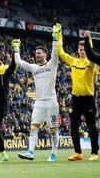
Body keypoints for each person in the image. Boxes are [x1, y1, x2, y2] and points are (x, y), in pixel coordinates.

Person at [15, 23, 61, 161]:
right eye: (36, 53)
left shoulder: (52, 64)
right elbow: (19, 62)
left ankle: (53, 154)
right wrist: (16, 48)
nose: (37, 55)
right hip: (39, 103)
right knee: (33, 127)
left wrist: (55, 37)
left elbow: (55, 51)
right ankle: (30, 152)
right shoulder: (34, 68)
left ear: (45, 54)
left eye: (39, 53)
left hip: (51, 102)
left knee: (53, 130)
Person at [59, 30, 99, 161]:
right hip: (76, 99)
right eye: (80, 49)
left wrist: (88, 40)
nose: (82, 51)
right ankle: (78, 153)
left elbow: (91, 52)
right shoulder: (73, 61)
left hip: (88, 99)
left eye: (83, 49)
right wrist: (59, 36)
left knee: (91, 126)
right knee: (74, 126)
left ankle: (94, 153)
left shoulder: (91, 63)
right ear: (77, 50)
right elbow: (61, 52)